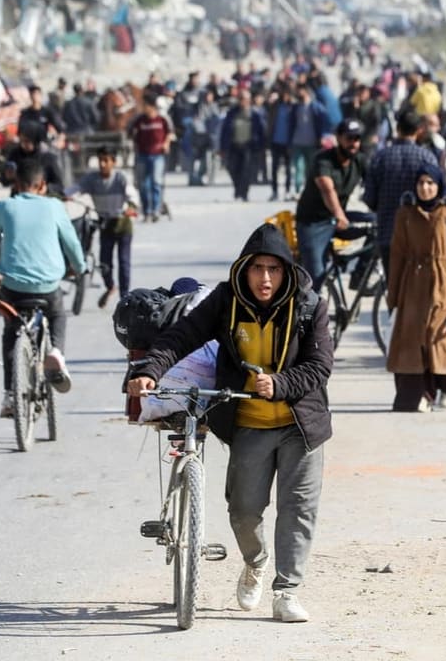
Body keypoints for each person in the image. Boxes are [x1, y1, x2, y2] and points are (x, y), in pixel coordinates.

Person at [127, 222, 333, 623]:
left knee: (298, 508)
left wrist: (280, 383)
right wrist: (151, 369)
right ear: (244, 269)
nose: (266, 278)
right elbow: (181, 336)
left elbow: (320, 366)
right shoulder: (226, 300)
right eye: (257, 268)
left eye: (274, 269)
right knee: (243, 510)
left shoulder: (309, 306)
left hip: (301, 424)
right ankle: (255, 562)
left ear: (287, 271)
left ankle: (286, 590)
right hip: (250, 422)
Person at [0, 159, 85, 414]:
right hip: (48, 285)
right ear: (42, 185)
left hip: (13, 286)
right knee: (58, 313)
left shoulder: (4, 206)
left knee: (11, 332)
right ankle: (57, 353)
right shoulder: (54, 206)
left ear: (17, 184)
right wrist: (79, 267)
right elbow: (72, 244)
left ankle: (9, 395)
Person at [386, 165, 446, 411]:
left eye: (430, 183)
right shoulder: (406, 214)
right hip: (412, 285)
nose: (425, 188)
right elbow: (397, 255)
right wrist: (393, 296)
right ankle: (421, 394)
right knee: (413, 343)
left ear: (439, 185)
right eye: (421, 183)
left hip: (444, 284)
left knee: (440, 338)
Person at [363, 111, 439, 276]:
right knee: (418, 290)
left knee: (395, 290)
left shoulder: (380, 157)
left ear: (397, 129)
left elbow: (369, 199)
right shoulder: (428, 158)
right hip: (420, 237)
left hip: (388, 234)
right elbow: (436, 198)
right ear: (419, 130)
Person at [295, 119, 365, 291]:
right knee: (316, 277)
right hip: (313, 224)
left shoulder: (359, 160)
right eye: (349, 138)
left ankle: (359, 275)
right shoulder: (323, 160)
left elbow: (375, 183)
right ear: (339, 138)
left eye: (357, 139)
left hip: (339, 219)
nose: (354, 143)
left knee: (378, 227)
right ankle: (309, 314)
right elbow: (327, 190)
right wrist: (339, 215)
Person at [70, 146, 139, 309]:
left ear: (113, 162)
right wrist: (64, 195)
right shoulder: (92, 179)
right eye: (100, 160)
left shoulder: (121, 178)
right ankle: (110, 286)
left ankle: (125, 298)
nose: (102, 164)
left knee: (124, 262)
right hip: (105, 226)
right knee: (105, 263)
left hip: (123, 225)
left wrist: (131, 206)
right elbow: (76, 189)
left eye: (106, 161)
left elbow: (132, 194)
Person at [128, 95, 171, 221]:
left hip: (157, 155)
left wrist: (166, 143)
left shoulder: (162, 119)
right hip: (142, 155)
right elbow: (130, 132)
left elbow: (170, 132)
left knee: (156, 183)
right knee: (143, 185)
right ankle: (146, 211)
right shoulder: (140, 120)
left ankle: (156, 209)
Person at [219, 89, 266, 202]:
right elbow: (225, 130)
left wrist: (261, 146)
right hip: (234, 145)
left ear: (249, 100)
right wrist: (222, 147)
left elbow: (261, 131)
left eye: (245, 99)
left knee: (246, 171)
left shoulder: (255, 114)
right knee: (232, 169)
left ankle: (243, 193)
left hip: (249, 146)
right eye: (241, 99)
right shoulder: (232, 113)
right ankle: (237, 189)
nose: (243, 101)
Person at [288, 84, 328, 200]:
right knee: (298, 167)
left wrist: (322, 137)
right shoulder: (295, 108)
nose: (299, 94)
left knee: (310, 168)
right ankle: (298, 189)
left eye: (302, 91)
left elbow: (324, 123)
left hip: (312, 143)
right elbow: (291, 125)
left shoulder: (316, 107)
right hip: (297, 141)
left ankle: (309, 190)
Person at [267, 86, 294, 201]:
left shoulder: (292, 107)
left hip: (288, 142)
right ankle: (274, 191)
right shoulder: (275, 106)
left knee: (288, 168)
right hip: (276, 141)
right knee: (274, 168)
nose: (285, 96)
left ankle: (287, 191)